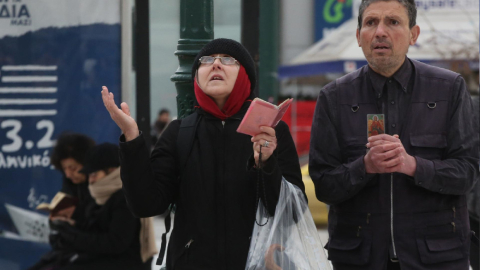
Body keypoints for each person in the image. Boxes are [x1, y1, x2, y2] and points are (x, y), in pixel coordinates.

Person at [101, 38, 304, 270]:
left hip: (258, 263)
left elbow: (293, 212)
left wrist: (267, 164)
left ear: (246, 75)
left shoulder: (271, 130)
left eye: (228, 60)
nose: (216, 64)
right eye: (206, 61)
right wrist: (131, 137)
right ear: (197, 76)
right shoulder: (179, 132)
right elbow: (146, 205)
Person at [308, 0, 480, 269]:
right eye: (370, 22)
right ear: (358, 36)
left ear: (414, 34)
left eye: (393, 22)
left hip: (436, 257)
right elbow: (324, 185)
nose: (380, 32)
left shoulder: (449, 89)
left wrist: (413, 165)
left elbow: (467, 173)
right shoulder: (334, 97)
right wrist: (364, 167)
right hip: (359, 257)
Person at [30, 143, 156, 270]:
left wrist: (71, 235)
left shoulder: (126, 198)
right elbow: (95, 227)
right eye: (89, 175)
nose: (91, 181)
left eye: (94, 175)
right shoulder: (104, 195)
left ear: (112, 171)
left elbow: (115, 243)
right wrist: (68, 226)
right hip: (106, 258)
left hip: (125, 262)